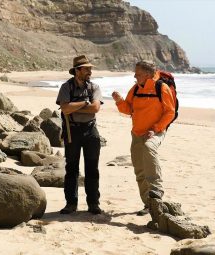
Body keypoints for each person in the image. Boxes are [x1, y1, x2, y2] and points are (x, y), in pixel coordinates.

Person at [111, 60, 175, 216]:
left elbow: (170, 112)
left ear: (147, 75)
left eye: (137, 73)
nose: (134, 75)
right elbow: (128, 109)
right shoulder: (136, 88)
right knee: (139, 170)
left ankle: (157, 190)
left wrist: (156, 128)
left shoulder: (162, 88)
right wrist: (119, 101)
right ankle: (148, 204)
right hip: (137, 133)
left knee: (149, 147)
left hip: (156, 131)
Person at [56, 55, 103, 215]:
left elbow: (95, 108)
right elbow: (65, 109)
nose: (90, 71)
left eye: (90, 68)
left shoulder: (94, 87)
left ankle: (93, 203)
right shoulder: (66, 87)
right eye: (87, 69)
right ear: (77, 71)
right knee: (72, 169)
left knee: (92, 169)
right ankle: (71, 204)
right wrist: (84, 103)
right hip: (72, 131)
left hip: (91, 131)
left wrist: (73, 106)